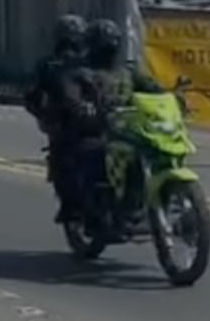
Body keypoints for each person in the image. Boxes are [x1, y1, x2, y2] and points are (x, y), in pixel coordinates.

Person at [62, 19, 165, 213]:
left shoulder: (127, 71)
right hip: (98, 130)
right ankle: (98, 205)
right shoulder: (81, 72)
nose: (109, 47)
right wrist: (83, 107)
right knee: (92, 155)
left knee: (157, 148)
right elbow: (72, 96)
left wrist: (171, 96)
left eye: (112, 42)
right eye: (103, 43)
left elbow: (154, 89)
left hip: (131, 128)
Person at [22, 14, 87, 223]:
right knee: (62, 160)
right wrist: (46, 117)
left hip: (92, 118)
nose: (72, 42)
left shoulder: (90, 62)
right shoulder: (49, 65)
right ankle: (70, 206)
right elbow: (32, 95)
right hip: (64, 122)